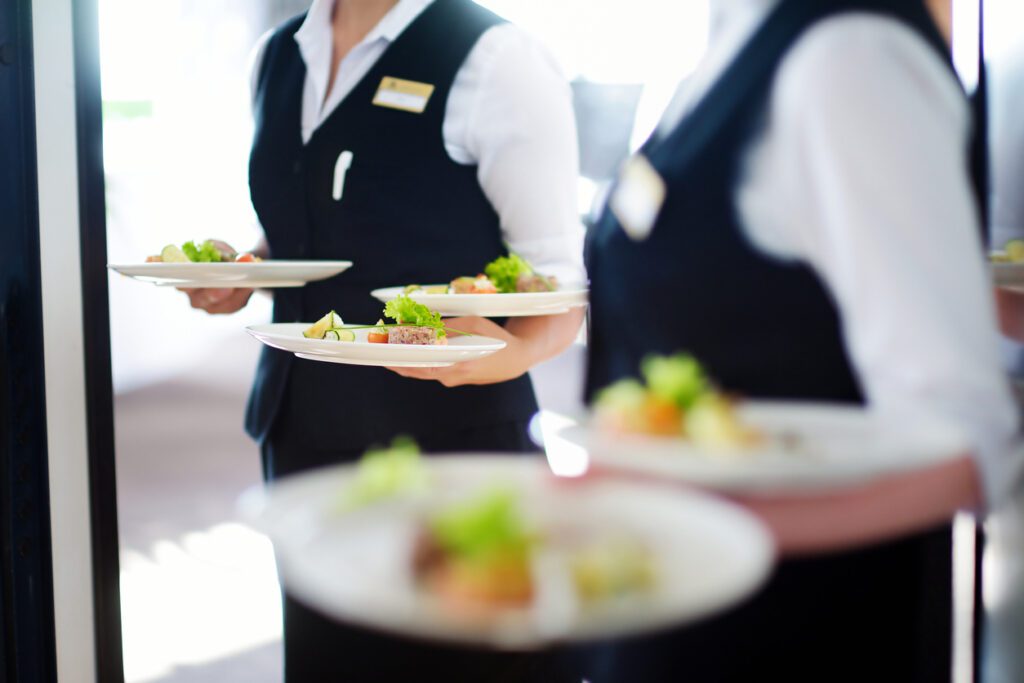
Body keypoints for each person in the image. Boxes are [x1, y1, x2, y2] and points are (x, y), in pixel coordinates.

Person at [579, 0, 1022, 680]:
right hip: (660, 610)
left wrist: (706, 533)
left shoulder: (853, 59)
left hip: (786, 633)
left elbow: (969, 445)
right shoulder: (736, 33)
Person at [184, 0, 585, 680]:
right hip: (303, 432)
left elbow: (560, 283)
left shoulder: (495, 59)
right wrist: (246, 270)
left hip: (449, 447)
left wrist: (509, 353)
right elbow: (313, 226)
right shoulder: (279, 55)